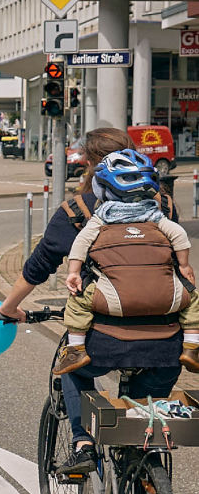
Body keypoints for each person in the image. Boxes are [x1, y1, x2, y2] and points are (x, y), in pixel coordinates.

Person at [0, 127, 183, 475]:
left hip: (104, 339)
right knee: (146, 412)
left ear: (88, 164)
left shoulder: (77, 209)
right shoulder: (165, 205)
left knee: (73, 365)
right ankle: (146, 487)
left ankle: (82, 444)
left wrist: (8, 309)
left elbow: (38, 267)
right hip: (166, 343)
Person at [54, 149, 199, 377]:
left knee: (78, 299)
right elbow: (179, 235)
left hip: (112, 300)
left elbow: (81, 243)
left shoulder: (102, 216)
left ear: (102, 188)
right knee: (192, 299)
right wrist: (184, 266)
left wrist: (73, 272)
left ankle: (76, 349)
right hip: (166, 300)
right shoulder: (156, 215)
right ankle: (192, 346)